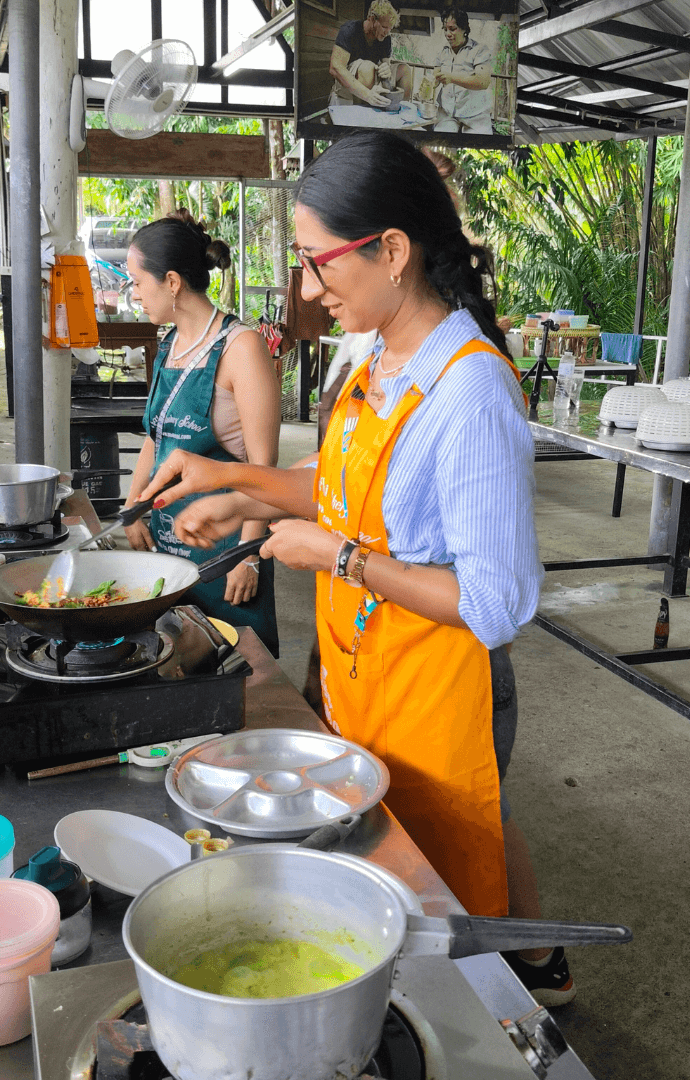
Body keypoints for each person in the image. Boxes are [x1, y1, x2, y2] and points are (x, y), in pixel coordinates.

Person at [137, 132, 541, 926]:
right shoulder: (372, 360)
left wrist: (341, 559)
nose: (308, 286)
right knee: (393, 864)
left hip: (438, 689)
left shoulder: (471, 393)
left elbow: (494, 602)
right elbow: (345, 488)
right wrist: (239, 486)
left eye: (320, 261)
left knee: (447, 872)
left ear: (392, 250)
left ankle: (532, 967)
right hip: (366, 672)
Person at [122, 210, 282, 656]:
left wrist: (248, 555)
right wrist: (134, 506)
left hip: (226, 559)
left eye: (137, 282)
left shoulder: (240, 347)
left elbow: (264, 467)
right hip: (170, 550)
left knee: (235, 674)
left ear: (171, 281)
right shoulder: (170, 343)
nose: (133, 294)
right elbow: (156, 436)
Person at [328, 0, 412, 111]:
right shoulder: (350, 29)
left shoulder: (385, 38)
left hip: (372, 80)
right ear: (372, 19)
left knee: (404, 69)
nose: (387, 32)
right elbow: (335, 68)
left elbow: (385, 65)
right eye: (384, 26)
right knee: (367, 67)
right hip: (347, 85)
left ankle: (399, 111)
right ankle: (364, 109)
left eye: (389, 28)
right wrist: (367, 95)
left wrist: (386, 69)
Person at [434, 7, 494, 135]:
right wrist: (431, 83)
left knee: (479, 143)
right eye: (445, 29)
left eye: (452, 29)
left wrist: (451, 78)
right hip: (447, 113)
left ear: (464, 29)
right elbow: (436, 75)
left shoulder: (479, 50)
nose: (447, 34)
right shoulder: (442, 52)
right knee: (441, 142)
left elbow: (483, 82)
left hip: (475, 115)